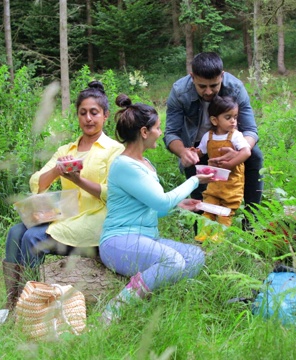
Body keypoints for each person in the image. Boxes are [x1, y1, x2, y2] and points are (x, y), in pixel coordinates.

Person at [2, 81, 124, 310]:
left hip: (96, 220)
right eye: (83, 113)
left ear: (106, 115)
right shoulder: (66, 150)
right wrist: (57, 170)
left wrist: (79, 180)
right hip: (65, 216)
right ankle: (13, 303)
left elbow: (113, 194)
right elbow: (37, 182)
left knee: (33, 238)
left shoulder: (114, 150)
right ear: (77, 116)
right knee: (15, 232)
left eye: (94, 113)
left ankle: (34, 306)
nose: (88, 118)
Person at [99, 94, 214, 325]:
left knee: (195, 256)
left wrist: (178, 204)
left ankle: (151, 301)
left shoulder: (145, 164)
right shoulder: (124, 165)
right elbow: (161, 201)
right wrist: (194, 181)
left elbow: (157, 209)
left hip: (145, 238)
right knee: (173, 261)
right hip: (118, 241)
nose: (160, 133)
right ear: (144, 132)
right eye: (157, 128)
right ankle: (113, 310)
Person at [164, 52, 263, 220]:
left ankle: (252, 222)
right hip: (198, 146)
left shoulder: (236, 88)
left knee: (255, 156)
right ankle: (202, 232)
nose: (208, 91)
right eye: (202, 86)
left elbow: (250, 130)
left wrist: (239, 153)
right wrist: (183, 152)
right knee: (201, 200)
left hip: (230, 143)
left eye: (214, 86)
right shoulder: (179, 91)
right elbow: (171, 133)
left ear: (222, 76)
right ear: (192, 77)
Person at [194, 96, 251, 237]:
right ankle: (203, 236)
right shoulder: (208, 136)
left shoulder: (236, 136)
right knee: (209, 208)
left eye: (235, 117)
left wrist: (230, 164)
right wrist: (193, 153)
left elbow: (246, 152)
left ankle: (218, 238)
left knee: (225, 212)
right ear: (215, 120)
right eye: (228, 117)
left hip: (232, 183)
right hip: (214, 182)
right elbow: (201, 151)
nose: (233, 121)